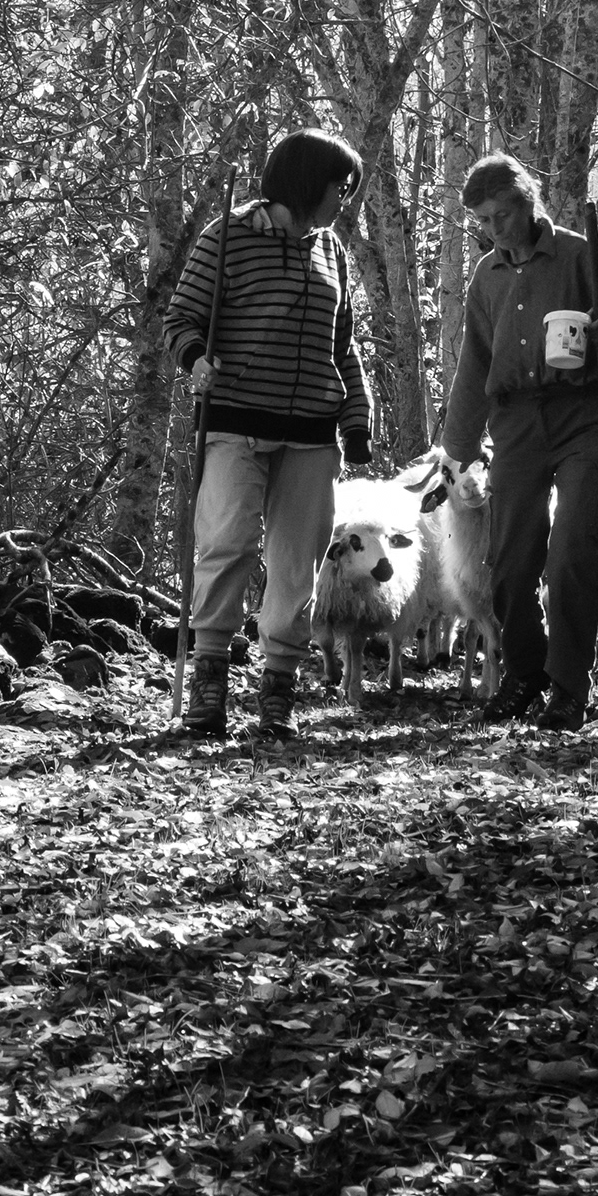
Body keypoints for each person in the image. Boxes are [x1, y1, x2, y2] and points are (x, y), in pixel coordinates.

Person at [164, 129, 373, 743]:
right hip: (235, 423)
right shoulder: (227, 236)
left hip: (311, 434)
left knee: (297, 563)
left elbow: (343, 345)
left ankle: (278, 687)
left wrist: (356, 418)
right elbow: (181, 318)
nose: (344, 199)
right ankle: (209, 682)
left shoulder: (331, 251)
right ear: (307, 182)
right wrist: (196, 357)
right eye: (339, 187)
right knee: (225, 544)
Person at [438, 153, 598, 732]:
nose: (495, 229)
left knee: (571, 554)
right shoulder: (487, 276)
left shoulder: (577, 254)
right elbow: (474, 362)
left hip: (583, 420)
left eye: (502, 215)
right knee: (510, 560)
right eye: (484, 221)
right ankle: (524, 673)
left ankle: (567, 688)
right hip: (515, 427)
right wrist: (458, 445)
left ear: (528, 202)